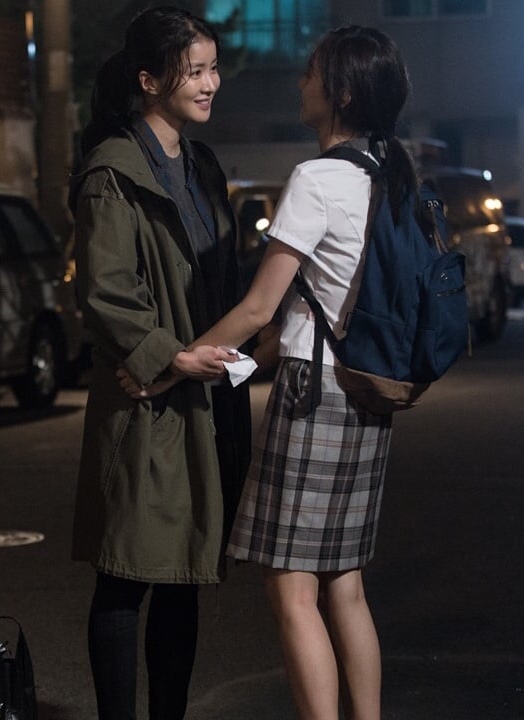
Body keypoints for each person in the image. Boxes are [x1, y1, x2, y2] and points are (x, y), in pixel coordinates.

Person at [122, 25, 431, 720]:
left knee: (292, 589)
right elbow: (292, 323)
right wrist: (223, 374)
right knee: (345, 585)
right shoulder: (389, 174)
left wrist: (169, 367)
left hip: (314, 399)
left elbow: (259, 308)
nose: (301, 83)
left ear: (341, 92)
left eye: (311, 72)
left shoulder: (318, 179)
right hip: (366, 393)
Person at [69, 6, 252, 720]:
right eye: (194, 71)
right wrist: (164, 357)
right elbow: (106, 291)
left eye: (213, 69)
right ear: (149, 81)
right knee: (126, 576)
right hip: (145, 401)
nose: (211, 84)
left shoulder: (203, 168)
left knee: (184, 572)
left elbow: (224, 279)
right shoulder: (112, 171)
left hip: (203, 395)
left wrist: (220, 355)